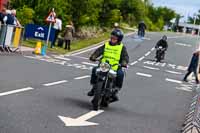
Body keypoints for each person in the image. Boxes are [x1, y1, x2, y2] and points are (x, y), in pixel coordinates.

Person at [87, 29, 129, 102]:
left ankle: (115, 90)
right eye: (112, 37)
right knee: (94, 69)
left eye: (115, 38)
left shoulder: (122, 47)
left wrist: (124, 62)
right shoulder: (106, 44)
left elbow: (125, 56)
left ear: (119, 39)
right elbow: (99, 51)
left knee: (121, 74)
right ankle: (94, 87)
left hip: (115, 66)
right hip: (104, 65)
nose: (112, 39)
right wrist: (93, 56)